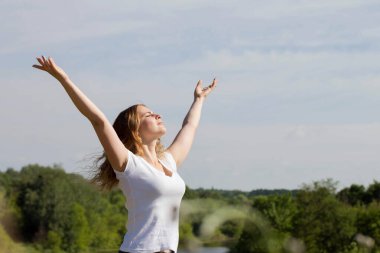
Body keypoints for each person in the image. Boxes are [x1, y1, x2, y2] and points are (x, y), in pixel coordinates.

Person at [32, 56, 217, 253]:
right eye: (147, 115)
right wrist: (65, 80)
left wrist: (199, 100)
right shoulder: (129, 165)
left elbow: (190, 126)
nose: (157, 115)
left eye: (154, 112)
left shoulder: (169, 163)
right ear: (134, 131)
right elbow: (98, 121)